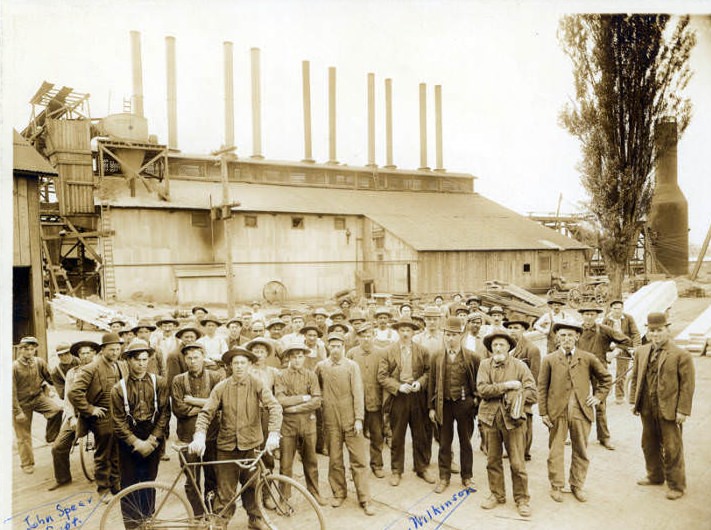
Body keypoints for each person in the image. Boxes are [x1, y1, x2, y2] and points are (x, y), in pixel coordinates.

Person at [189, 347, 282, 530]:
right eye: (235, 363)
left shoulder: (257, 383)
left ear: (249, 365)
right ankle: (220, 523)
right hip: (227, 446)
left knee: (252, 486)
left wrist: (273, 433)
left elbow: (275, 407)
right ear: (230, 366)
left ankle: (255, 519)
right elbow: (205, 413)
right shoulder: (222, 387)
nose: (239, 366)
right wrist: (199, 436)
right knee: (225, 491)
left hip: (252, 445)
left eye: (243, 363)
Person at [538, 322, 612, 503]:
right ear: (557, 338)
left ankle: (577, 485)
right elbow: (542, 387)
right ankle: (556, 485)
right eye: (562, 335)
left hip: (581, 411)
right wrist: (543, 412)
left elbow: (606, 379)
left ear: (577, 337)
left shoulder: (587, 358)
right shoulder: (549, 359)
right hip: (557, 412)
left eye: (571, 335)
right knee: (555, 450)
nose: (567, 339)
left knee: (581, 450)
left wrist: (598, 397)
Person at [629, 312, 695, 500]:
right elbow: (635, 377)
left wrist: (683, 410)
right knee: (648, 444)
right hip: (647, 407)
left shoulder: (681, 355)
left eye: (659, 330)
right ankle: (655, 475)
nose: (655, 334)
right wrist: (634, 400)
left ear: (667, 330)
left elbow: (687, 385)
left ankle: (677, 485)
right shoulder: (641, 351)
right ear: (647, 332)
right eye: (652, 331)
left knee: (672, 447)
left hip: (670, 408)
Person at [111, 339, 171, 529]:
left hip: (152, 435)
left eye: (144, 359)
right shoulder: (118, 388)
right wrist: (136, 442)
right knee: (129, 482)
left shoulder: (159, 383)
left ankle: (147, 520)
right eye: (136, 359)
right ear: (128, 360)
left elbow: (164, 413)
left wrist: (153, 439)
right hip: (129, 438)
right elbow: (118, 421)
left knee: (148, 480)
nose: (141, 363)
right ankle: (131, 524)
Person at [477, 331, 536, 517]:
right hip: (490, 419)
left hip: (514, 422)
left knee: (518, 463)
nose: (498, 348)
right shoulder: (484, 365)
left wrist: (517, 398)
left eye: (502, 345)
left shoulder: (520, 366)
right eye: (494, 345)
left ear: (509, 347)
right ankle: (496, 494)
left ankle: (522, 499)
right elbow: (482, 389)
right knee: (492, 460)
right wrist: (507, 386)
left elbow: (532, 392)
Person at [316, 332, 375, 515]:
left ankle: (364, 498)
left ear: (344, 347)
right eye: (332, 346)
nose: (335, 350)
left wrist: (359, 419)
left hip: (351, 420)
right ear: (328, 347)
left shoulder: (352, 366)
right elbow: (317, 391)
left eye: (338, 346)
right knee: (335, 459)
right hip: (331, 420)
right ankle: (339, 492)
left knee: (359, 460)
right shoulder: (321, 367)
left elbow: (358, 393)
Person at [377, 316, 435, 486]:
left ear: (413, 332)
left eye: (408, 330)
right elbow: (382, 376)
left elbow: (429, 372)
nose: (405, 334)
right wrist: (398, 387)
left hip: (417, 397)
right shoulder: (388, 351)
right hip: (398, 397)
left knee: (420, 434)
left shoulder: (422, 351)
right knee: (397, 435)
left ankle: (421, 467)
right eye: (402, 330)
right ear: (397, 332)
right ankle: (396, 470)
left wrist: (420, 383)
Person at [69, 333, 127, 499]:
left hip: (118, 415)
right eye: (111, 350)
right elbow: (74, 393)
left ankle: (116, 484)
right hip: (102, 417)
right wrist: (90, 409)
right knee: (103, 454)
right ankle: (103, 489)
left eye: (117, 349)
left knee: (117, 450)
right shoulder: (91, 368)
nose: (115, 352)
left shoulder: (121, 366)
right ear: (102, 350)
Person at [428, 317, 480, 494]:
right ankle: (444, 477)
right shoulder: (436, 357)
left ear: (461, 335)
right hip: (444, 405)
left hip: (464, 405)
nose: (450, 338)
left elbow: (478, 383)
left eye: (454, 335)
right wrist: (432, 408)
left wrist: (475, 401)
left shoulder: (472, 357)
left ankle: (467, 476)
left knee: (465, 442)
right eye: (447, 334)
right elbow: (432, 384)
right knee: (444, 443)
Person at [171, 343, 223, 515]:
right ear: (185, 359)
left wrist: (193, 401)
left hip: (212, 436)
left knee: (212, 477)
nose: (192, 361)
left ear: (203, 357)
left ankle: (211, 512)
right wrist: (208, 405)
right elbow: (179, 409)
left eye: (196, 357)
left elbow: (221, 404)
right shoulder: (178, 380)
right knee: (192, 480)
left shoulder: (216, 377)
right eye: (189, 358)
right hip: (187, 437)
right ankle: (198, 514)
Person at [274, 341, 328, 506]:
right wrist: (304, 398)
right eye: (294, 357)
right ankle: (284, 498)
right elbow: (280, 400)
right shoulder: (281, 376)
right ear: (289, 358)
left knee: (311, 461)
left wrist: (294, 408)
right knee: (285, 464)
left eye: (300, 356)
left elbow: (317, 400)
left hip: (308, 424)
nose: (297, 360)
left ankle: (314, 493)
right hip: (288, 425)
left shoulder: (311, 375)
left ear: (304, 357)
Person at [576, 306, 631, 450]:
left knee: (600, 405)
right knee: (579, 403)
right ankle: (579, 436)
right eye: (586, 314)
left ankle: (604, 437)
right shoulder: (576, 330)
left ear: (596, 316)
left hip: (599, 371)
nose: (588, 317)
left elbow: (625, 340)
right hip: (580, 370)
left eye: (591, 314)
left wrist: (613, 353)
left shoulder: (604, 330)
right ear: (582, 315)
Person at [48, 339, 99, 490]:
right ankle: (63, 478)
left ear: (95, 353)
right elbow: (68, 399)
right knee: (58, 447)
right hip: (77, 415)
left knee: (107, 443)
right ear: (78, 355)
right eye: (82, 353)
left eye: (89, 352)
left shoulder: (101, 369)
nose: (85, 356)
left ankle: (104, 476)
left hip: (97, 414)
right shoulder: (72, 373)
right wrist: (71, 418)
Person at [13, 336, 63, 475]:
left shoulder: (39, 362)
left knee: (57, 410)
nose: (29, 352)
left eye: (32, 349)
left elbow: (50, 378)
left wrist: (63, 382)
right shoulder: (14, 367)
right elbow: (11, 392)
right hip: (21, 403)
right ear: (20, 350)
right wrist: (17, 412)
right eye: (26, 349)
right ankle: (27, 463)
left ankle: (51, 437)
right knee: (24, 436)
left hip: (38, 397)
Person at [347, 322, 387, 479]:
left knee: (377, 436)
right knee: (356, 438)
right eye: (362, 335)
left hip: (375, 402)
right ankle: (356, 468)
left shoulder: (381, 353)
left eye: (368, 335)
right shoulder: (351, 354)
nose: (366, 339)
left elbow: (385, 377)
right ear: (358, 337)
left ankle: (377, 465)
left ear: (373, 336)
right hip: (356, 404)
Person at [504, 320, 541, 461]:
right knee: (511, 420)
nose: (513, 331)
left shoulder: (532, 349)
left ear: (523, 330)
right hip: (510, 391)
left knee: (525, 421)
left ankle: (525, 452)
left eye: (516, 328)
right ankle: (513, 450)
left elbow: (535, 375)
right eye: (510, 328)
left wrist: (528, 394)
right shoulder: (507, 347)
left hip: (525, 391)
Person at [603, 300, 641, 404]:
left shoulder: (628, 318)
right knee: (602, 368)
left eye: (619, 308)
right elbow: (601, 334)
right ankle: (605, 391)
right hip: (610, 345)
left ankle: (619, 395)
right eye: (615, 308)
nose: (617, 311)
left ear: (622, 309)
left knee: (622, 371)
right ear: (611, 309)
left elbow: (635, 333)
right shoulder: (607, 319)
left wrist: (636, 346)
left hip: (624, 345)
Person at [166, 325, 202, 390]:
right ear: (181, 338)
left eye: (192, 337)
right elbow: (173, 379)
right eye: (186, 337)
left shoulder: (200, 352)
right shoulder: (174, 355)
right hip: (182, 389)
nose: (189, 339)